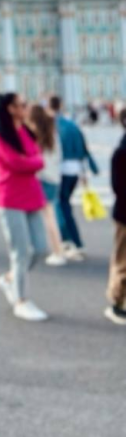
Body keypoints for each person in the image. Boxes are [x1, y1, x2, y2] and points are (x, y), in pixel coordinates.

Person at [0, 93, 49, 322]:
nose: (26, 107)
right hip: (10, 198)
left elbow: (35, 157)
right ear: (10, 109)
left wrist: (33, 162)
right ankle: (21, 300)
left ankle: (9, 279)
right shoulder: (0, 136)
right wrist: (35, 162)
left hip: (31, 196)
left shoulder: (25, 131)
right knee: (21, 252)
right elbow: (17, 163)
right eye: (22, 104)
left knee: (41, 248)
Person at [48, 95, 98, 260]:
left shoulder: (52, 126)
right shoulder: (72, 124)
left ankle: (71, 241)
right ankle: (70, 241)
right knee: (64, 204)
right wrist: (86, 171)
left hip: (60, 171)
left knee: (60, 206)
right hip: (75, 171)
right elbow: (83, 148)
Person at [25, 104, 68, 266]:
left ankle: (57, 251)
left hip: (43, 178)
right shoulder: (52, 133)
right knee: (48, 216)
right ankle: (56, 250)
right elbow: (58, 157)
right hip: (54, 178)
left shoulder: (37, 136)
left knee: (47, 217)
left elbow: (36, 160)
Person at [106, 109, 126, 325]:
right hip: (124, 215)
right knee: (122, 261)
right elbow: (118, 187)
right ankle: (116, 303)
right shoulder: (121, 152)